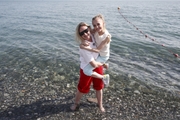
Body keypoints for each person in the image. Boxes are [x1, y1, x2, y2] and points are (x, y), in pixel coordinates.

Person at [70, 22, 106, 112]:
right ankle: (76, 103)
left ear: (89, 29)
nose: (85, 34)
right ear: (80, 35)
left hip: (98, 64)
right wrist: (103, 63)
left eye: (86, 30)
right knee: (82, 88)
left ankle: (100, 104)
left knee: (99, 87)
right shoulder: (84, 46)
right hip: (86, 67)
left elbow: (99, 29)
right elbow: (93, 64)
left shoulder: (94, 35)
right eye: (82, 33)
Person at [80, 14, 111, 84]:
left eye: (98, 24)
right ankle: (104, 64)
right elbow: (86, 33)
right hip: (99, 54)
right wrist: (82, 43)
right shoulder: (96, 30)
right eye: (94, 25)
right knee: (93, 63)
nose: (96, 27)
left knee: (86, 71)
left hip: (103, 56)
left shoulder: (107, 37)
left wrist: (85, 47)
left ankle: (104, 77)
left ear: (103, 23)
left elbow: (97, 50)